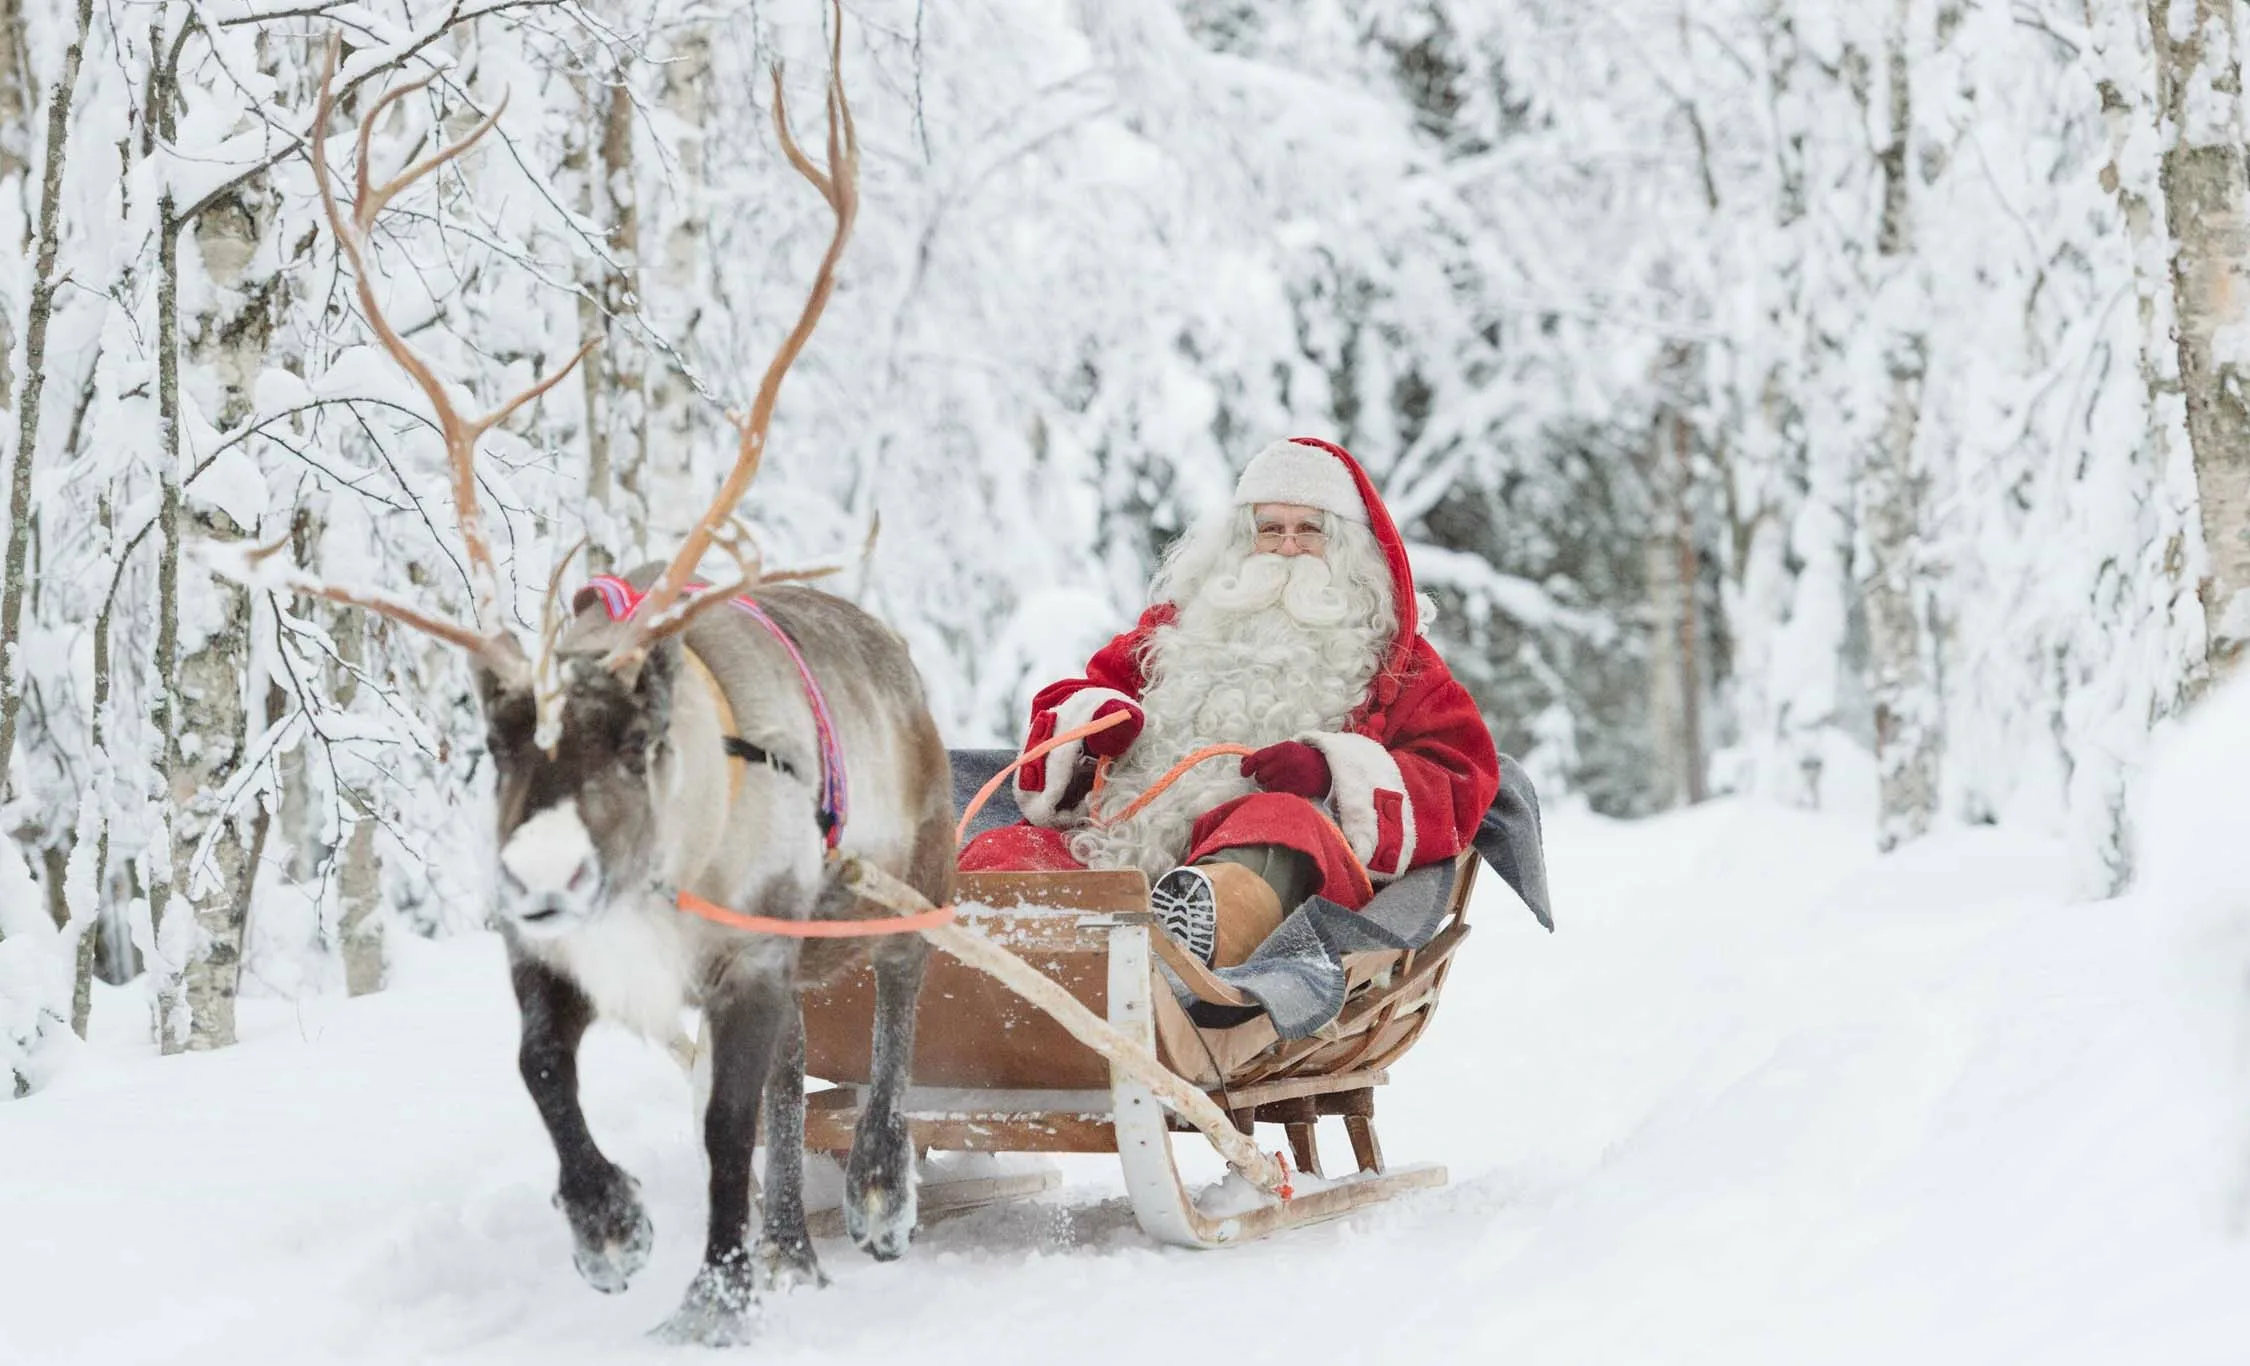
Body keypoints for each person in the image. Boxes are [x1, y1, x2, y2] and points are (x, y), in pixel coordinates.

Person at [960, 437, 1501, 967]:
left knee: (1281, 819)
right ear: (1243, 539)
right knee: (1003, 854)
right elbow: (1074, 698)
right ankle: (997, 950)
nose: (1287, 547)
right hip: (1119, 846)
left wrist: (1332, 774)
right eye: (1271, 530)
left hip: (1271, 872)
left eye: (1309, 530)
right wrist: (1095, 724)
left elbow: (1459, 774)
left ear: (1347, 547)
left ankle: (1194, 934)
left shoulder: (1396, 661)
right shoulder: (1177, 629)